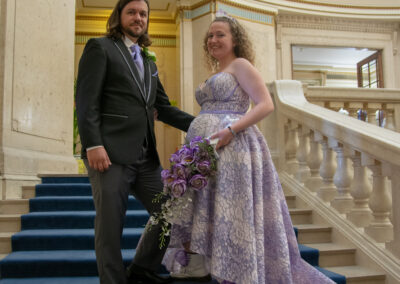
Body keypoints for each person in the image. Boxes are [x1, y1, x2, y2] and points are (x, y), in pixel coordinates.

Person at [162, 15, 335, 284]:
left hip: (233, 148)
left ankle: (236, 269)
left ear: (235, 40)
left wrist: (231, 131)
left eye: (220, 34)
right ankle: (201, 263)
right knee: (203, 205)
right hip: (204, 150)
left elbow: (265, 104)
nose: (213, 40)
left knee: (231, 208)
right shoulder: (218, 72)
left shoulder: (241, 65)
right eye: (210, 36)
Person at [75, 0, 194, 283]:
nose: (138, 18)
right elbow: (86, 100)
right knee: (110, 226)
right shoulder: (100, 47)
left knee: (169, 212)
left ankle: (141, 269)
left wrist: (206, 125)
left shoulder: (149, 61)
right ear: (119, 16)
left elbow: (163, 108)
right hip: (109, 154)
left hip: (144, 158)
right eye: (132, 12)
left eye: (143, 13)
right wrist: (93, 144)